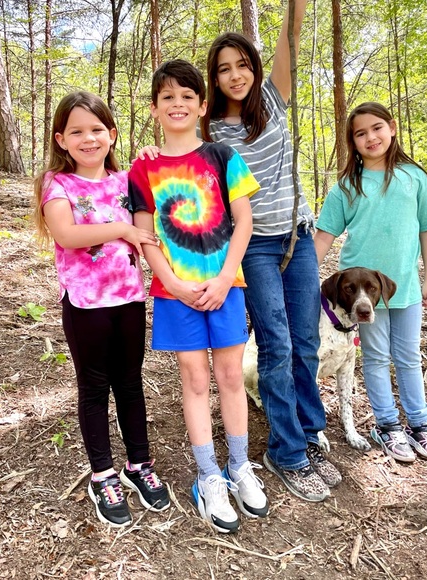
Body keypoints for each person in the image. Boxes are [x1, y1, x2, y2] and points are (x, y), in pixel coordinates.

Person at [200, 0, 342, 501]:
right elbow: (178, 152)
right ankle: (286, 453)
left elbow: (291, 34)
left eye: (242, 65)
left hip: (297, 236)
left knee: (305, 340)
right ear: (214, 79)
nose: (235, 75)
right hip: (253, 246)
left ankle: (308, 432)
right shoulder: (210, 131)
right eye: (224, 69)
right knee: (276, 344)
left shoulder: (272, 100)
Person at [128, 60, 269, 534]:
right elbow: (144, 235)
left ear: (203, 105)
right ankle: (208, 476)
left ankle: (239, 466)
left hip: (226, 287)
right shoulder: (143, 167)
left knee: (230, 376)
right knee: (193, 380)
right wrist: (173, 283)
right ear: (154, 108)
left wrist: (226, 277)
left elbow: (244, 221)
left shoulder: (223, 156)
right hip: (175, 294)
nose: (178, 104)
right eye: (167, 97)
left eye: (187, 96)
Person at [33, 91, 170, 528]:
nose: (88, 138)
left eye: (96, 129)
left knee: (130, 383)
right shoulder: (57, 184)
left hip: (129, 298)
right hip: (85, 303)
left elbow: (162, 186)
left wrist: (152, 155)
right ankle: (102, 475)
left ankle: (138, 465)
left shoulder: (127, 180)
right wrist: (122, 229)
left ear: (112, 134)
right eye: (76, 132)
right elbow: (67, 234)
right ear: (61, 139)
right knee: (94, 387)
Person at [314, 102, 427, 463]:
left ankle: (420, 425)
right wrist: (304, 277)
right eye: (360, 133)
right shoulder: (347, 186)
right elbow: (324, 236)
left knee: (408, 357)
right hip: (360, 296)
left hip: (404, 289)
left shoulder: (414, 178)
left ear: (392, 127)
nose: (370, 137)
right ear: (352, 141)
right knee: (374, 357)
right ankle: (387, 426)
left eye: (376, 128)